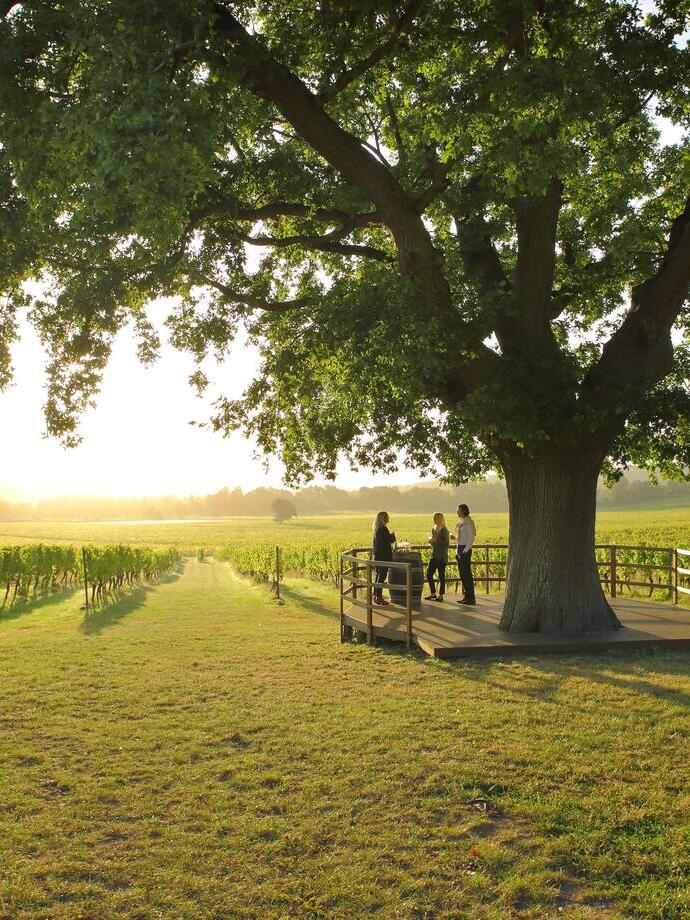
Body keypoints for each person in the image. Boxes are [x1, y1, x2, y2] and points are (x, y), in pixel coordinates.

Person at [372, 511, 396, 605]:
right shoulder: (383, 529)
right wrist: (392, 535)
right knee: (382, 577)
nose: (388, 518)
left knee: (378, 576)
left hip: (378, 556)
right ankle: (378, 597)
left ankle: (376, 596)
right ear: (384, 518)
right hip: (383, 557)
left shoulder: (377, 529)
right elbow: (390, 540)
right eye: (387, 517)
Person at [425, 512, 449, 601]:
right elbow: (434, 541)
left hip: (441, 556)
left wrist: (435, 541)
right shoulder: (434, 529)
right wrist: (431, 541)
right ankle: (433, 593)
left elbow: (446, 543)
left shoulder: (445, 530)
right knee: (429, 574)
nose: (434, 519)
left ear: (441, 519)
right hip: (434, 555)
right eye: (433, 518)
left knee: (441, 576)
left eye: (436, 518)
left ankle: (441, 595)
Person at [455, 503, 476, 605]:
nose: (457, 511)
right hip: (460, 549)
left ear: (463, 510)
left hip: (465, 550)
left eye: (458, 510)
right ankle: (467, 597)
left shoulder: (469, 522)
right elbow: (460, 538)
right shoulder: (461, 522)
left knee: (467, 574)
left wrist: (465, 550)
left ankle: (471, 598)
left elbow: (471, 538)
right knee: (462, 574)